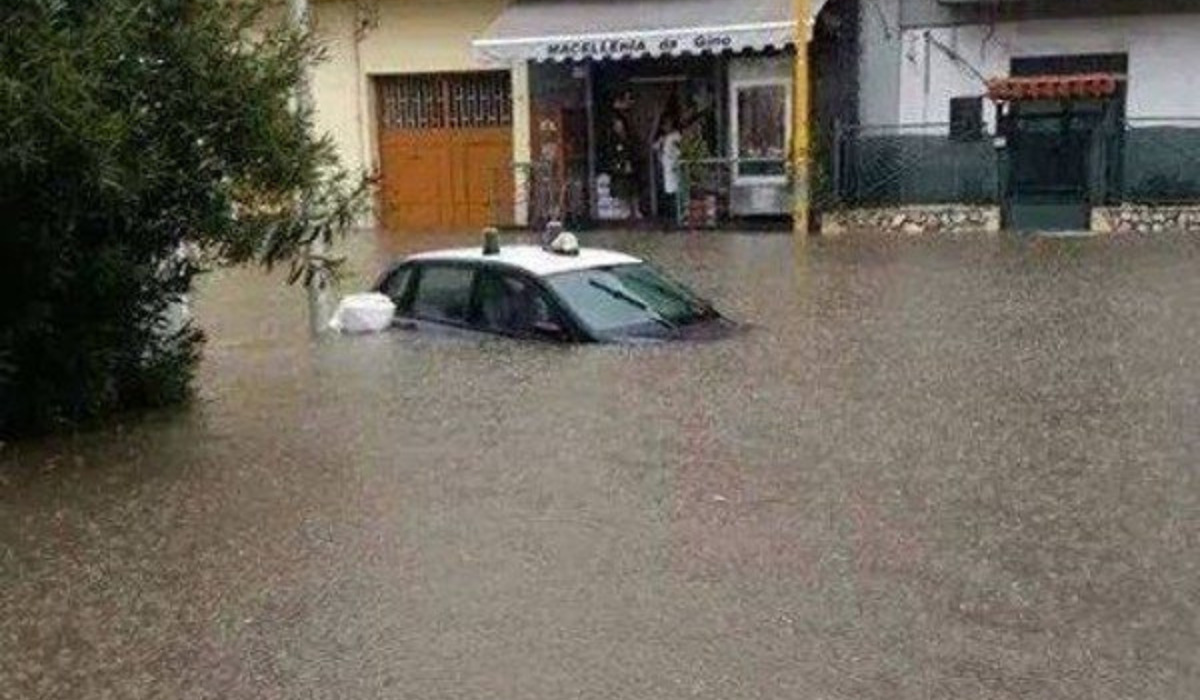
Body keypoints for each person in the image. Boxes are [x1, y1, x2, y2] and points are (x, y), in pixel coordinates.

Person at [655, 116, 683, 225]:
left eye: (667, 124)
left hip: (673, 166)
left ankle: (675, 215)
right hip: (665, 167)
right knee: (667, 190)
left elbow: (678, 151)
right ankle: (668, 215)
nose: (665, 127)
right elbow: (655, 147)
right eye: (663, 125)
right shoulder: (664, 137)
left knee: (674, 189)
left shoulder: (675, 136)